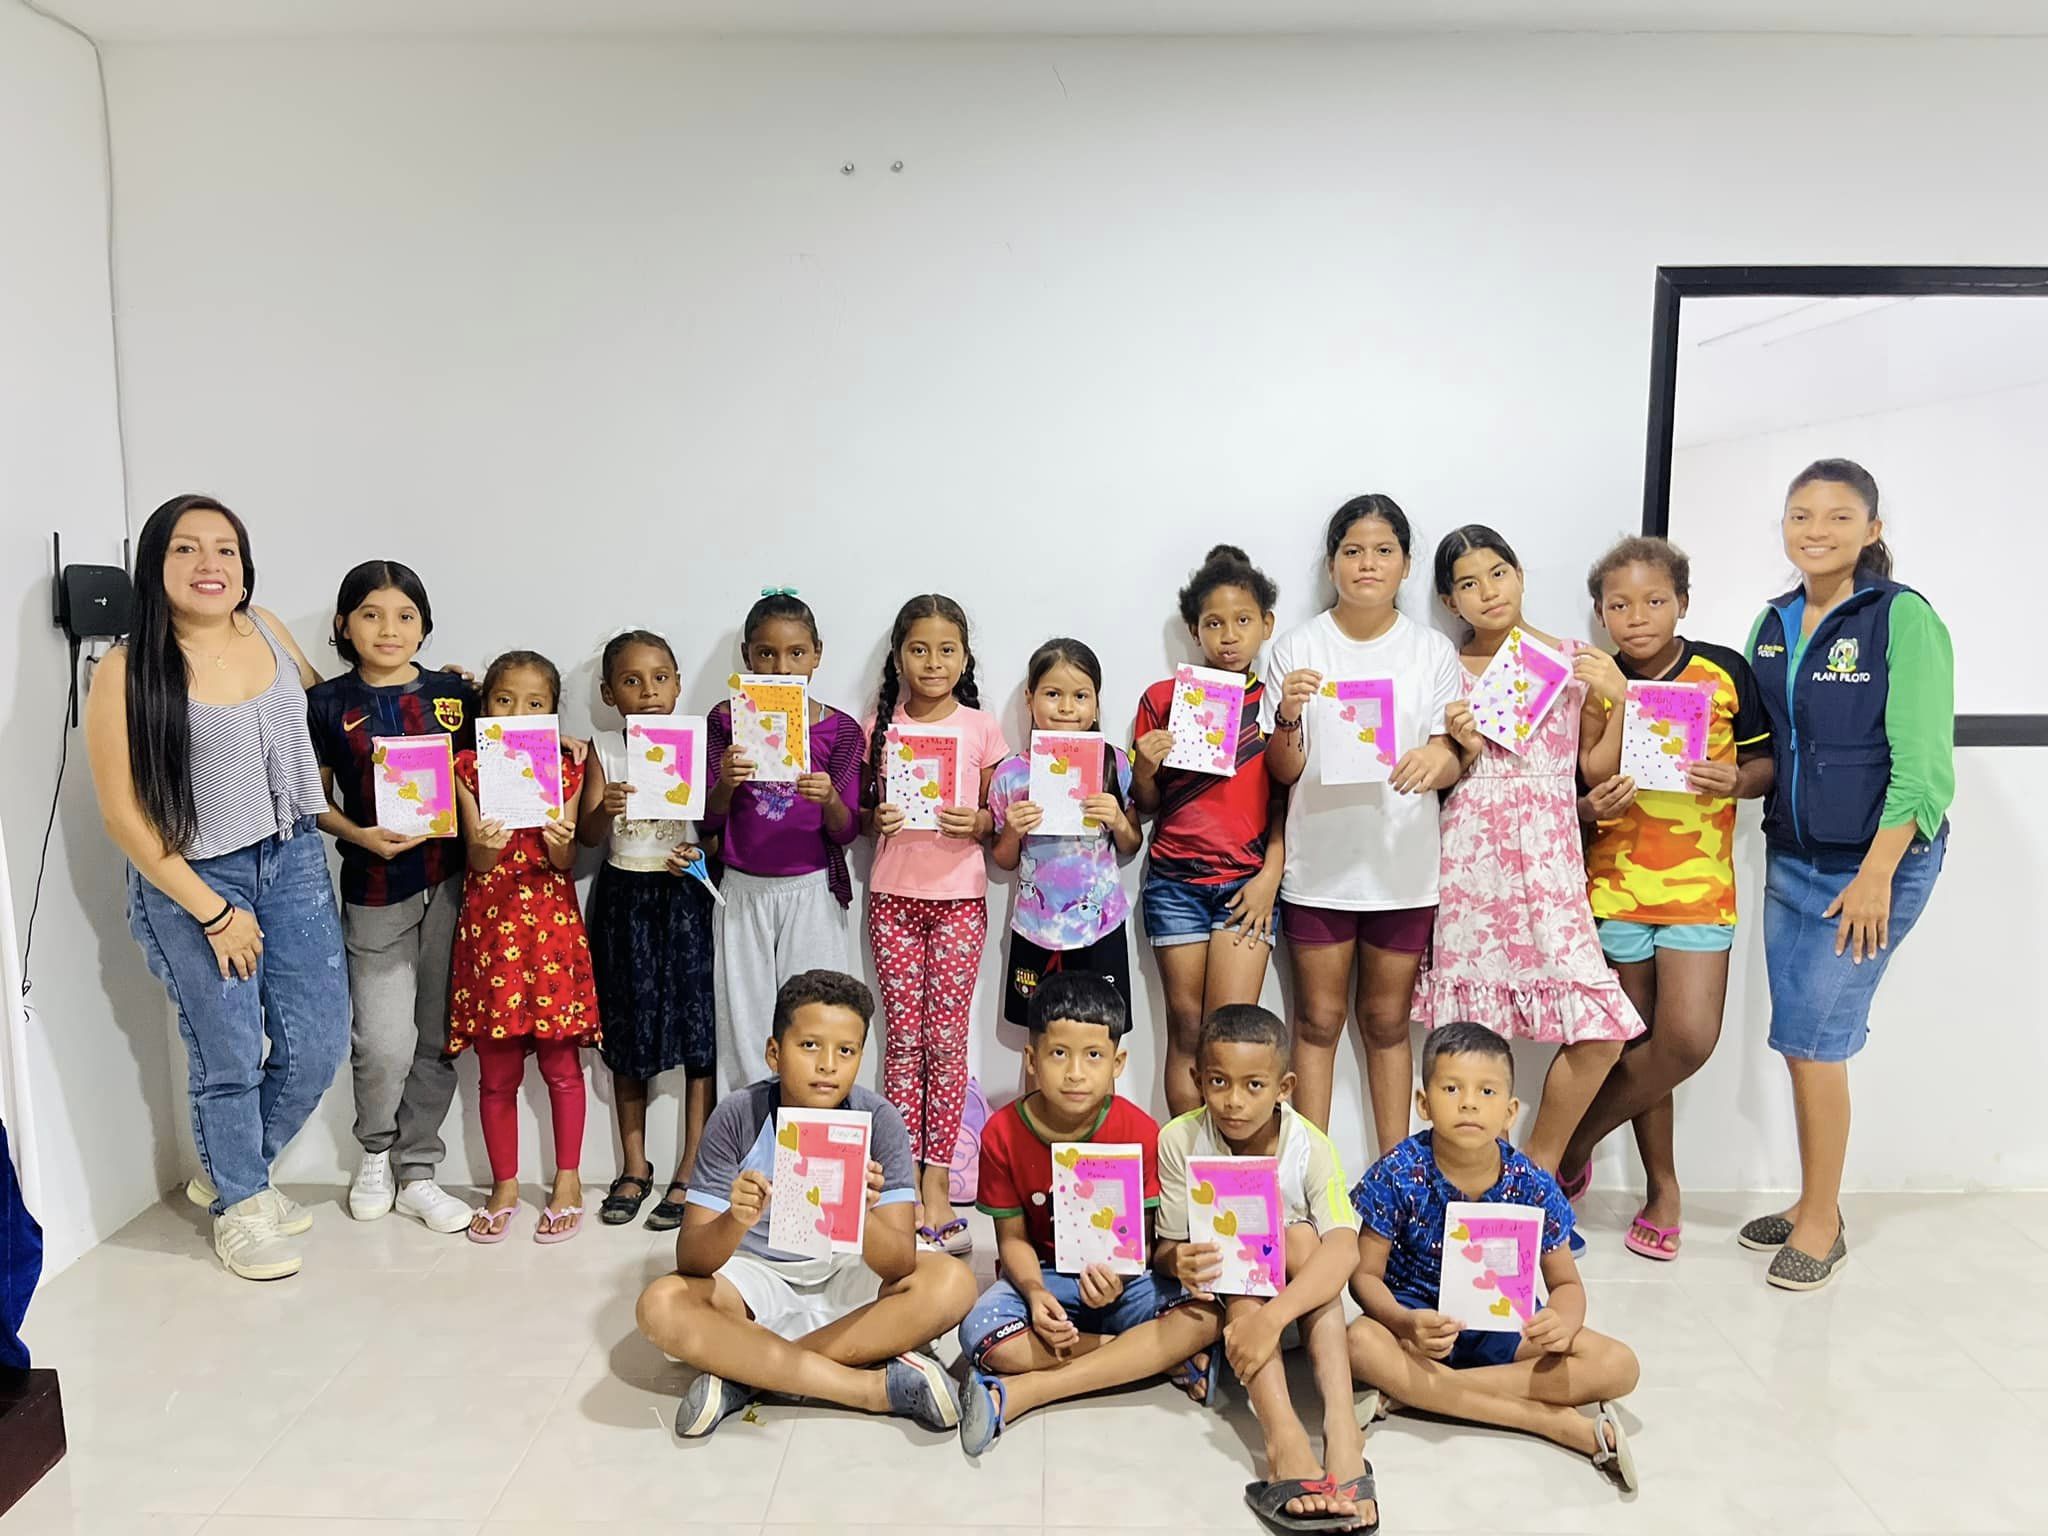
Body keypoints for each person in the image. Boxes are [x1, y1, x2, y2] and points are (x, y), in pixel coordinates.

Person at [85, 494, 347, 1281]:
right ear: (155, 565)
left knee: (317, 1044)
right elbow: (123, 816)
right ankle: (242, 1206)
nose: (210, 564)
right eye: (187, 549)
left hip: (292, 858)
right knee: (227, 1056)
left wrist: (443, 693)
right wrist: (214, 911)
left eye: (225, 548)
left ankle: (237, 1172)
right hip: (193, 878)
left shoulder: (267, 627)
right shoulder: (126, 670)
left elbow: (333, 709)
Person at [1737, 459, 1952, 1290]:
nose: (1815, 531)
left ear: (1872, 529)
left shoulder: (1902, 618)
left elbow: (1923, 768)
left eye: (1836, 516)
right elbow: (1766, 745)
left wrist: (1875, 876)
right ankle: (1811, 1198)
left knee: (1816, 1042)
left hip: (1875, 866)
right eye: (1800, 515)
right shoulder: (1774, 621)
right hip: (1793, 857)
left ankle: (1822, 1225)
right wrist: (1726, 776)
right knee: (1801, 1039)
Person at [634, 970, 975, 1438]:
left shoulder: (879, 1120)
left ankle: (745, 1372)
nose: (828, 1065)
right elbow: (691, 1259)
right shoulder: (737, 1115)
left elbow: (898, 1264)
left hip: (849, 1274)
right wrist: (736, 1220)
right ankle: (869, 1390)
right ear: (774, 1053)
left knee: (953, 1282)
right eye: (810, 1045)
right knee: (660, 1304)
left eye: (846, 1051)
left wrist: (860, 1214)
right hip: (757, 1278)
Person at [1557, 537, 1773, 1260]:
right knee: (1634, 1040)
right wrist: (1593, 794)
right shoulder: (1595, 677)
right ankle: (1663, 1188)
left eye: (1654, 601)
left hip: (1700, 887)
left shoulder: (1724, 671)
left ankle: (1573, 1142)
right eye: (1619, 605)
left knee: (1686, 1040)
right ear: (1600, 613)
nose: (1637, 617)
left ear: (1683, 601)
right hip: (1615, 886)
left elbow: (1765, 764)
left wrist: (1737, 780)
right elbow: (1584, 774)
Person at [1413, 525, 1644, 1173]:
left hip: (1549, 859)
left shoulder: (1573, 659)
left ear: (1519, 574)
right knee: (1469, 1041)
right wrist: (1457, 741)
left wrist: (1619, 699)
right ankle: (1473, 1182)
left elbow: (1594, 768)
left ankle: (1537, 1169)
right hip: (1469, 858)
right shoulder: (1443, 667)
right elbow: (1436, 766)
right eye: (1468, 583)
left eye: (1498, 573)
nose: (1488, 591)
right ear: (1450, 600)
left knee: (1599, 1030)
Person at [1346, 1022, 1640, 1491]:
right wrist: (1404, 1322)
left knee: (1618, 1364)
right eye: (1451, 1088)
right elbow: (1363, 1276)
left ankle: (1415, 1394)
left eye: (1486, 1091)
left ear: (1509, 1110)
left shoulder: (1531, 1183)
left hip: (1505, 1330)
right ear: (1423, 1103)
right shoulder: (1398, 1172)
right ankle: (1547, 1421)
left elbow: (1566, 1284)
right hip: (1418, 1330)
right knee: (1359, 1342)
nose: (1469, 1103)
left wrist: (1562, 1321)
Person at [1263, 496, 1465, 1144]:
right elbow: (1283, 770)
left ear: (1406, 564)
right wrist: (1289, 713)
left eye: (1383, 551)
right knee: (1317, 1023)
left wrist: (1436, 759)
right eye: (1352, 551)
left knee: (1386, 1023)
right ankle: (1313, 1182)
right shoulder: (1299, 647)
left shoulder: (1431, 651)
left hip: (1402, 868)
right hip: (1319, 868)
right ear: (1332, 565)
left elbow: (1451, 754)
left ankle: (1394, 1175)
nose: (1368, 563)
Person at [955, 973, 1216, 1457]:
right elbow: (1012, 1239)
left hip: (1122, 1282)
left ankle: (1034, 1389)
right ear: (1031, 1059)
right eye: (1058, 1053)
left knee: (1205, 1315)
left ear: (1117, 1063)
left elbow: (1143, 1242)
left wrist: (1119, 1278)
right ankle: (1148, 1356)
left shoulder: (1140, 1131)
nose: (1075, 1072)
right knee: (980, 1334)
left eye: (1093, 1055)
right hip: (1046, 1277)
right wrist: (1035, 1293)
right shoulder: (1002, 1133)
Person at [306, 559, 475, 1235]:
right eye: (371, 614)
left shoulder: (454, 694)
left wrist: (561, 747)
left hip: (453, 883)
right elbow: (313, 799)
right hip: (375, 888)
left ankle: (419, 1171)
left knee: (437, 1036)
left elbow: (504, 754)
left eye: (405, 616)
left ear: (424, 626)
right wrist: (360, 836)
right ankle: (374, 1153)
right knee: (382, 1041)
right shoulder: (326, 704)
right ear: (344, 624)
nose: (389, 629)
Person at [1156, 1005, 1372, 1533]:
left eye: (1254, 1085)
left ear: (1284, 1088)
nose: (1234, 1100)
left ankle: (1342, 1429)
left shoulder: (1309, 1145)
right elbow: (1166, 1248)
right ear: (1197, 1080)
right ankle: (1284, 1440)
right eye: (1219, 1082)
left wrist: (1272, 1320)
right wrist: (1177, 1260)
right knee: (1241, 1259)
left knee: (1300, 1237)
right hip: (1230, 1312)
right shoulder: (1180, 1139)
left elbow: (1345, 1249)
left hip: (1294, 1311)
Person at [859, 594, 1004, 1256]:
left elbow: (999, 816)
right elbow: (864, 816)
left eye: (947, 649)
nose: (933, 662)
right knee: (902, 1043)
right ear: (898, 657)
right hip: (893, 897)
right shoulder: (878, 725)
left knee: (947, 1043)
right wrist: (877, 818)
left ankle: (938, 1180)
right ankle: (901, 1183)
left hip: (959, 901)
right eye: (919, 649)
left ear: (965, 658)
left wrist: (980, 821)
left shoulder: (981, 728)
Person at [1131, 546, 1288, 1117]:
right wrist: (1144, 768)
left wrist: (1269, 877)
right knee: (1187, 1027)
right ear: (1194, 629)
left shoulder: (1275, 705)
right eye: (1214, 623)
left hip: (1247, 886)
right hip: (1174, 883)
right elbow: (1147, 805)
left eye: (1243, 620)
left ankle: (1230, 1162)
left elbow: (1287, 802)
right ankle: (1186, 1158)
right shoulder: (1163, 699)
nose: (1228, 635)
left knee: (1230, 1035)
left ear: (1266, 624)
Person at [450, 650, 599, 1244]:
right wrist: (486, 844)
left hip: (551, 932)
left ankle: (568, 1180)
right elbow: (476, 859)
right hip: (491, 934)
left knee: (563, 1067)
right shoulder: (466, 769)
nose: (517, 714)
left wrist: (561, 840)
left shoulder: (565, 769)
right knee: (497, 1074)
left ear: (553, 713)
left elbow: (565, 860)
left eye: (534, 704)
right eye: (505, 701)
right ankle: (504, 1186)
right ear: (485, 707)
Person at [577, 629, 717, 1231]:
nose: (649, 691)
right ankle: (634, 1165)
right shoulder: (605, 748)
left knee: (697, 1030)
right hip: (624, 896)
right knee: (627, 1028)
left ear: (678, 684)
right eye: (632, 681)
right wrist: (602, 808)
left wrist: (700, 850)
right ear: (610, 693)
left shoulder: (697, 742)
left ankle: (692, 1167)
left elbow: (713, 827)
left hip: (682, 894)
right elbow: (587, 837)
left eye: (660, 678)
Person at [704, 590, 865, 1102]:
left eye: (796, 653)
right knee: (745, 1026)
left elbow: (846, 831)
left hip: (811, 891)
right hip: (742, 892)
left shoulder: (840, 730)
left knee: (818, 1020)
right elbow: (706, 821)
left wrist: (830, 798)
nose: (781, 667)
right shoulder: (724, 720)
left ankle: (815, 1130)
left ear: (817, 654)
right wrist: (726, 782)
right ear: (747, 656)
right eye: (766, 653)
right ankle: (750, 1132)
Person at [988, 639, 1142, 1028]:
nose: (1067, 708)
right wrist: (1012, 832)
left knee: (1102, 1033)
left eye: (1080, 696)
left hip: (1100, 926)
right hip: (1035, 928)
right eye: (1053, 694)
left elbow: (1131, 844)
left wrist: (1118, 820)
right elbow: (1003, 860)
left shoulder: (1114, 763)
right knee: (1040, 1035)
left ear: (1096, 703)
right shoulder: (1011, 774)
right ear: (1030, 699)